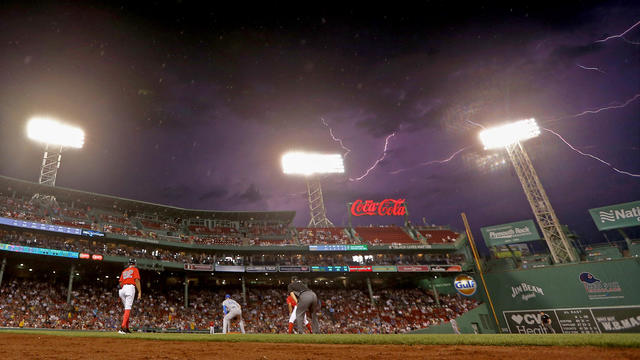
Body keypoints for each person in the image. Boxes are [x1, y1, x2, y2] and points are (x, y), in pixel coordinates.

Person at [118, 258, 141, 334]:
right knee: (128, 309)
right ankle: (122, 328)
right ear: (134, 263)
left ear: (129, 264)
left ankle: (126, 328)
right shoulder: (135, 269)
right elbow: (136, 280)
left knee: (127, 310)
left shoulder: (124, 271)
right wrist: (139, 292)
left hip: (122, 289)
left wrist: (124, 289)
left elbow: (120, 283)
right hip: (130, 288)